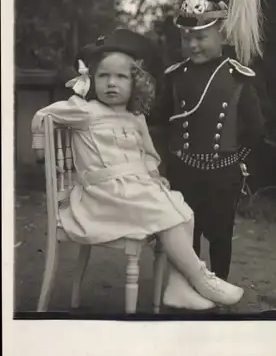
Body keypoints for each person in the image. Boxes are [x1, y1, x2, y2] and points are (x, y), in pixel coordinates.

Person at [31, 28, 244, 312]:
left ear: (135, 83)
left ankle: (178, 287)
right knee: (165, 212)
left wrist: (153, 175)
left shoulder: (135, 117)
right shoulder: (84, 111)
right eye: (104, 75)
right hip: (100, 198)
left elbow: (148, 155)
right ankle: (201, 278)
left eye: (121, 77)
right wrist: (39, 147)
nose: (111, 83)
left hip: (130, 193)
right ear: (92, 80)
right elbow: (43, 115)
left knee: (182, 210)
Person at [151, 0, 265, 281]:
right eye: (186, 37)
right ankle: (189, 289)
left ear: (223, 35)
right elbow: (158, 119)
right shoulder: (174, 76)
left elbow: (255, 127)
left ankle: (218, 289)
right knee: (186, 235)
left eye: (201, 36)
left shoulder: (236, 77)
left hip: (222, 175)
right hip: (182, 171)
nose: (193, 43)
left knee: (219, 237)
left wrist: (236, 161)